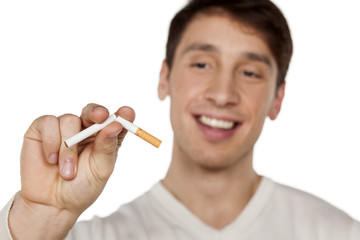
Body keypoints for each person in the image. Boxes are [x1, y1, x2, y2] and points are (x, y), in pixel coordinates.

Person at [1, 0, 359, 239]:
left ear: (277, 99)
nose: (222, 93)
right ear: (164, 78)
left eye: (249, 72)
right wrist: (38, 217)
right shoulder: (71, 235)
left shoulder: (337, 233)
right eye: (202, 64)